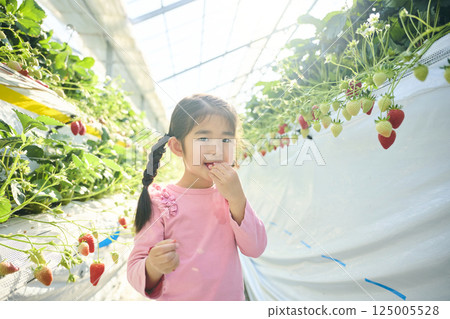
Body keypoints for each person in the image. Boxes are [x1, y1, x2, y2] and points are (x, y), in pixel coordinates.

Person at [127, 93, 267, 301]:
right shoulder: (160, 200)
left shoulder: (230, 196)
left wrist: (238, 199)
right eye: (203, 138)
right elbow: (134, 269)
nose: (217, 149)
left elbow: (255, 248)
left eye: (226, 139)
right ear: (177, 147)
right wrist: (153, 266)